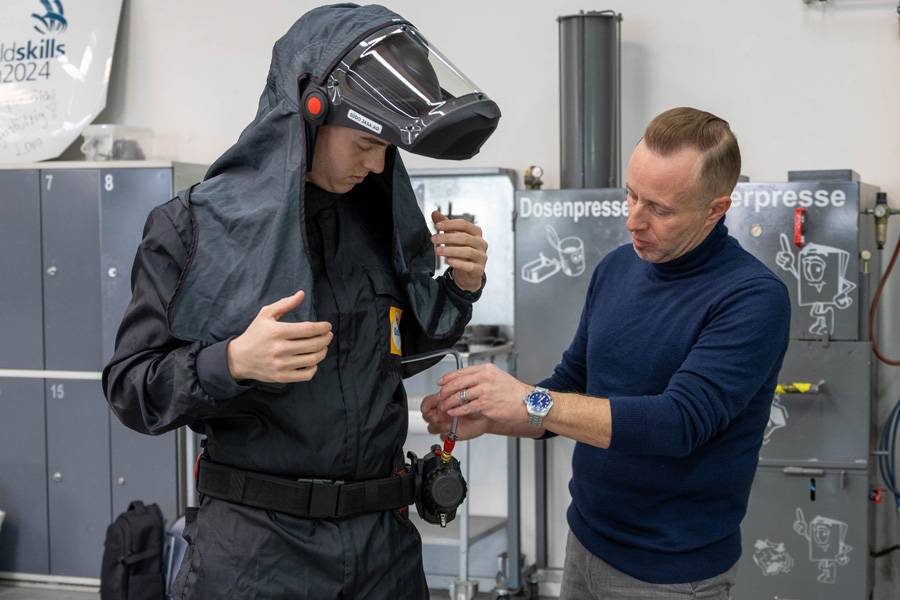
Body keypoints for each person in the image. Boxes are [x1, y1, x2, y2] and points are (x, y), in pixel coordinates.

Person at [103, 4, 500, 599]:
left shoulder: (378, 220)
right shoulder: (194, 228)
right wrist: (231, 361)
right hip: (257, 556)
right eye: (367, 142)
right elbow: (131, 387)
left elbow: (394, 349)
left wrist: (459, 288)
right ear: (309, 115)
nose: (377, 163)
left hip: (383, 550)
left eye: (390, 147)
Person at [422, 107, 791, 599]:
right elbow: (570, 384)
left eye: (659, 208)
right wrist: (493, 417)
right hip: (587, 545)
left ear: (715, 209)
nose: (634, 220)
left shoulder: (751, 297)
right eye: (631, 195)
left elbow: (676, 423)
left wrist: (529, 401)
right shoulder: (618, 268)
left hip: (671, 574)